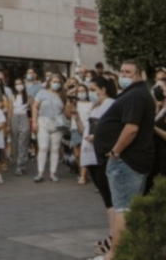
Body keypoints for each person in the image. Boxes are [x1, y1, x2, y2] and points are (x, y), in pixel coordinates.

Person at [92, 60, 156, 260]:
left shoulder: (136, 95)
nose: (123, 75)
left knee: (123, 209)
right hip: (129, 158)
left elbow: (131, 128)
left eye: (128, 72)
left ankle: (114, 254)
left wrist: (115, 151)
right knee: (127, 208)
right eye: (121, 71)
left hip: (127, 160)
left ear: (138, 75)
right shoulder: (134, 94)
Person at [78, 76, 117, 258]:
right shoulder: (96, 106)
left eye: (93, 89)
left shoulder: (110, 103)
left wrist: (98, 137)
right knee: (106, 199)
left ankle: (114, 237)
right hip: (90, 156)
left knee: (110, 200)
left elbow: (109, 128)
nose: (90, 93)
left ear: (102, 89)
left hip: (100, 156)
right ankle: (113, 236)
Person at [32, 73, 68, 183]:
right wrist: (34, 121)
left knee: (55, 149)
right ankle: (40, 172)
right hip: (43, 122)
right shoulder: (42, 92)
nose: (56, 84)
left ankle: (53, 173)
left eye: (58, 82)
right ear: (49, 82)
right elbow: (35, 106)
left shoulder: (63, 95)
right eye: (54, 82)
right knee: (43, 147)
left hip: (57, 124)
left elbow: (65, 111)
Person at [69, 82, 93, 185]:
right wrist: (71, 93)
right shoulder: (74, 103)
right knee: (77, 154)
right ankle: (82, 171)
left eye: (83, 91)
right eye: (79, 91)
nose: (81, 93)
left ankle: (83, 175)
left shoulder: (91, 104)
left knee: (84, 153)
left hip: (86, 130)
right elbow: (67, 113)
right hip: (75, 129)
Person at [11, 77, 31, 176]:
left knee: (23, 141)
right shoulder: (12, 96)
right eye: (16, 84)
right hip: (14, 118)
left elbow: (33, 108)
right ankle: (16, 161)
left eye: (20, 83)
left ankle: (21, 165)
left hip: (24, 117)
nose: (18, 85)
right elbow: (10, 109)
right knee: (15, 142)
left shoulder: (28, 96)